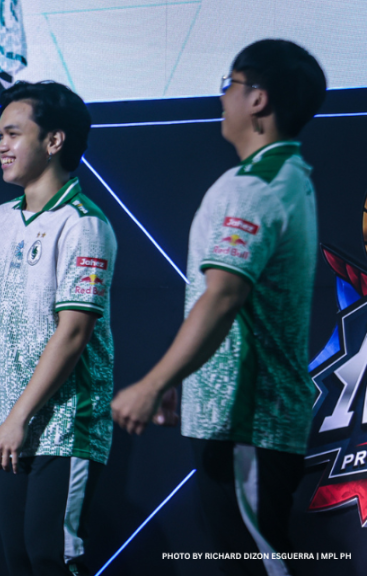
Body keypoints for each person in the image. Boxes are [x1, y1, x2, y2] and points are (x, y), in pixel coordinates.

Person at [111, 39, 327, 576]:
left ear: (259, 99)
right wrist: (186, 380)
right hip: (236, 422)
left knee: (261, 565)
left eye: (230, 84)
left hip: (248, 423)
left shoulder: (257, 186)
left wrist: (154, 382)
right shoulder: (285, 177)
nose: (222, 97)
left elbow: (224, 296)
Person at [0, 81, 115, 576]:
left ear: (54, 141)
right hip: (4, 426)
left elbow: (73, 333)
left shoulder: (84, 224)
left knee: (52, 557)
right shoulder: (0, 220)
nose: (0, 146)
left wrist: (19, 417)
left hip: (65, 427)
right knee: (20, 562)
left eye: (13, 134)